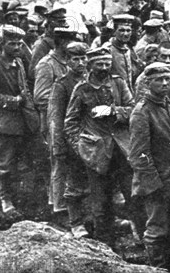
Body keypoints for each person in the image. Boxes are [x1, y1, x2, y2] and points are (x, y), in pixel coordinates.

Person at [64, 46, 143, 248]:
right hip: (97, 152)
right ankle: (105, 246)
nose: (104, 67)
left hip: (122, 150)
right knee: (100, 202)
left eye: (107, 63)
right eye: (99, 64)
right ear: (90, 65)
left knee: (133, 195)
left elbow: (134, 109)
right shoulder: (82, 89)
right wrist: (81, 147)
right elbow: (70, 122)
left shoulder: (118, 83)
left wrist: (112, 110)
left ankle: (143, 240)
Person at [128, 62, 170, 268]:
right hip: (155, 181)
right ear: (148, 83)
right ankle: (157, 267)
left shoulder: (168, 104)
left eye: (167, 79)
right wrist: (155, 184)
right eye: (158, 80)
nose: (164, 83)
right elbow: (138, 154)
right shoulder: (142, 111)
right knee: (157, 228)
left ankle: (166, 262)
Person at [0, 26, 39, 215]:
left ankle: (19, 198)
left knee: (22, 163)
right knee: (4, 162)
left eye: (19, 43)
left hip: (21, 121)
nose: (17, 47)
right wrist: (15, 101)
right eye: (12, 43)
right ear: (2, 44)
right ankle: (5, 200)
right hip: (2, 123)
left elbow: (24, 89)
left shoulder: (19, 63)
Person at [34, 27, 79, 212]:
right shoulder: (47, 64)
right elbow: (40, 96)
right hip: (53, 119)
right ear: (61, 43)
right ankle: (58, 205)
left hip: (70, 118)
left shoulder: (69, 62)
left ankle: (69, 202)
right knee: (59, 161)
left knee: (71, 162)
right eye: (69, 41)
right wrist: (66, 99)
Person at [47, 42, 90, 238]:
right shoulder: (62, 84)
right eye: (76, 59)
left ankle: (90, 216)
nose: (81, 63)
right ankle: (72, 220)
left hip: (91, 139)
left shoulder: (90, 80)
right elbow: (56, 117)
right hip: (71, 138)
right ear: (67, 61)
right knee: (72, 180)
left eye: (84, 58)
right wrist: (59, 144)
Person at [29, 8, 68, 84]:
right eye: (60, 22)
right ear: (50, 24)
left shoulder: (61, 42)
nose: (64, 25)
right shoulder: (41, 45)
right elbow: (32, 73)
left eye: (64, 22)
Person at [106, 14, 143, 94]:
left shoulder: (128, 49)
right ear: (114, 31)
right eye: (121, 30)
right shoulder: (108, 49)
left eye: (128, 30)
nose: (125, 34)